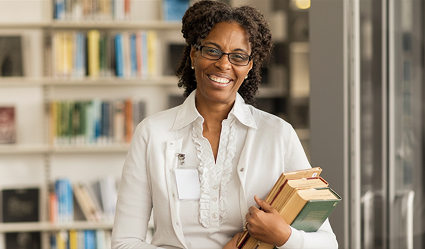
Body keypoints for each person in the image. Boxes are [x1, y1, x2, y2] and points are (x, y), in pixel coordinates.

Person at [112, 1, 338, 248]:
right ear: (193, 55)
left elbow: (327, 243)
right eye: (212, 50)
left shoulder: (277, 135)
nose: (223, 64)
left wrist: (285, 236)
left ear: (249, 66)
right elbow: (124, 242)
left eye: (238, 56)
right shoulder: (153, 133)